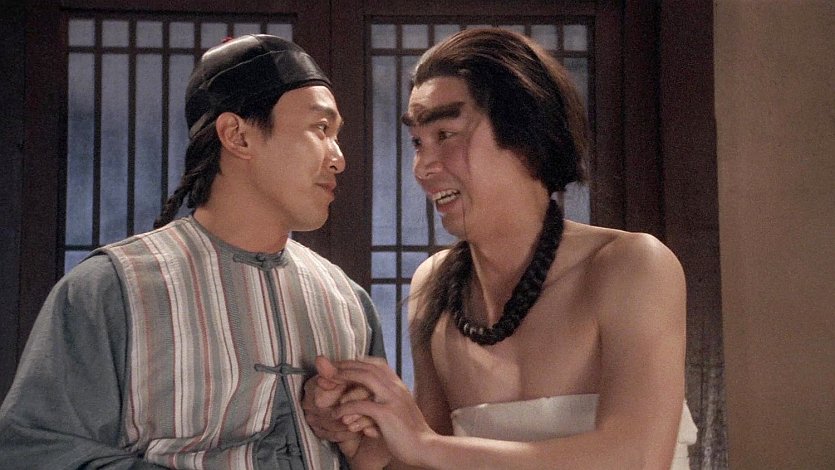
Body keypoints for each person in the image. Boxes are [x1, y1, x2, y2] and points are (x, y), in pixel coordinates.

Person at [303, 27, 697, 469]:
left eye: (445, 134)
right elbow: (427, 460)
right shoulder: (435, 286)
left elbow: (639, 458)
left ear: (526, 135)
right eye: (417, 142)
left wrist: (422, 443)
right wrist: (363, 436)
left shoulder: (632, 266)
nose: (423, 166)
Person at [0, 34, 385, 469]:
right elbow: (34, 451)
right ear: (237, 136)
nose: (338, 159)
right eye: (321, 129)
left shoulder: (348, 301)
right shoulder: (111, 289)